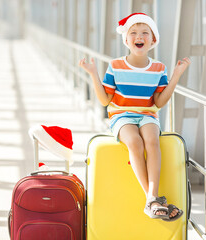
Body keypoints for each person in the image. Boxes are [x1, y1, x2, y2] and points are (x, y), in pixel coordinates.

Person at [79, 12, 190, 221]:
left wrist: (176, 76)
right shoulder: (116, 66)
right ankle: (152, 199)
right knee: (135, 143)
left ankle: (152, 197)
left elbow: (158, 102)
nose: (139, 36)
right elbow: (105, 100)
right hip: (121, 115)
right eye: (134, 32)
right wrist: (93, 73)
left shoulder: (159, 68)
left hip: (147, 114)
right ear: (127, 39)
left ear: (153, 40)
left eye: (145, 32)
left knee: (151, 140)